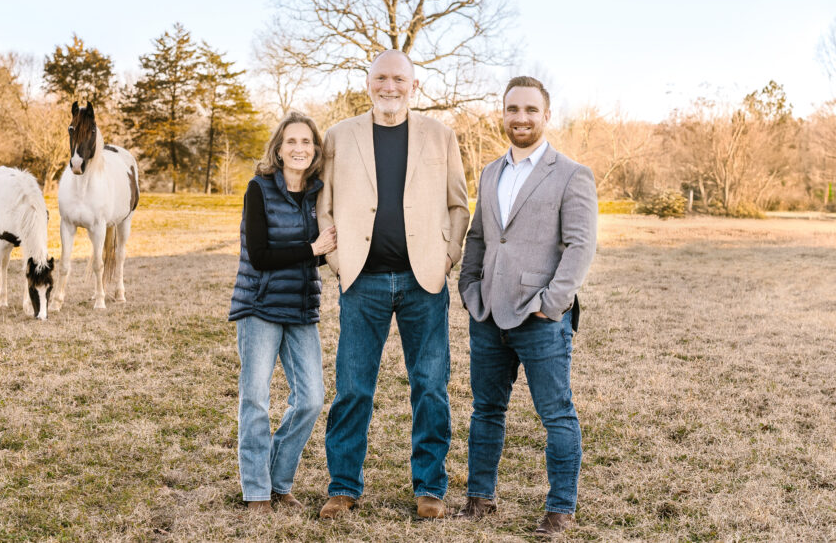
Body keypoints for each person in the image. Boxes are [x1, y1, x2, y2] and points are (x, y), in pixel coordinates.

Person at [316, 50, 470, 519]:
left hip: (424, 281)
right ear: (368, 84)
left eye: (398, 79)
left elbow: (459, 205)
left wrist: (447, 257)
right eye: (380, 77)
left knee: (430, 386)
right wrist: (340, 264)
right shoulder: (339, 136)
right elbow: (325, 206)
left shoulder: (440, 136)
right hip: (361, 280)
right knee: (353, 388)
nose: (389, 86)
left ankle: (430, 489)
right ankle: (343, 486)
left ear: (413, 86)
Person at [456, 76, 598, 535]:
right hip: (488, 314)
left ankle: (560, 509)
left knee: (556, 413)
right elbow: (479, 237)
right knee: (486, 410)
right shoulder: (491, 171)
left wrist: (552, 304)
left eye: (530, 110)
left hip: (540, 319)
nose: (520, 118)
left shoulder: (571, 173)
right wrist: (469, 289)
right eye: (512, 109)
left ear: (546, 116)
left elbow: (580, 246)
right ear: (503, 113)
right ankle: (480, 498)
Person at [228, 112, 338, 515]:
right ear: (278, 148)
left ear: (315, 150)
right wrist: (312, 249)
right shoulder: (259, 189)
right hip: (259, 305)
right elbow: (260, 254)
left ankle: (278, 479)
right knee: (255, 399)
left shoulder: (317, 195)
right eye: (291, 141)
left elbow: (325, 254)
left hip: (301, 306)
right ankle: (257, 491)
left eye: (307, 142)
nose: (299, 148)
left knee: (310, 399)